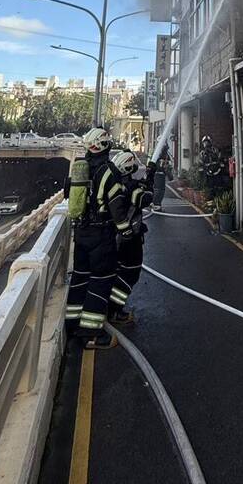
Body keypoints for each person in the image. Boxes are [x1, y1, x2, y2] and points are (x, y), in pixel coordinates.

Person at [65, 128, 133, 350]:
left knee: (80, 277)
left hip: (81, 232)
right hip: (100, 235)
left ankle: (72, 324)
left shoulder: (79, 168)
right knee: (101, 281)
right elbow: (116, 206)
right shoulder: (108, 171)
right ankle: (91, 333)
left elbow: (70, 195)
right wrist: (125, 231)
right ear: (104, 146)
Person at [107, 150, 155, 323]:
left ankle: (109, 306)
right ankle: (115, 310)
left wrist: (147, 177)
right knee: (130, 274)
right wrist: (151, 177)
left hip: (116, 238)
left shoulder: (116, 185)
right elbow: (148, 197)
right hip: (130, 240)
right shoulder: (132, 189)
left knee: (117, 272)